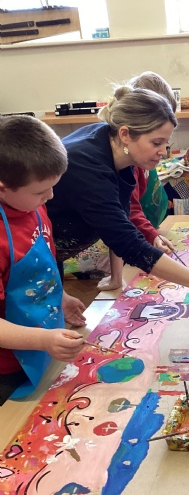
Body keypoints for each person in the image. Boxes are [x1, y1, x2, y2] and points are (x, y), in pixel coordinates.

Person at [45, 84, 189, 323]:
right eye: (156, 143)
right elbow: (128, 243)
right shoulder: (88, 166)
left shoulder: (119, 151)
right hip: (24, 257)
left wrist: (61, 292)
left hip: (47, 255)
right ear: (125, 134)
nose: (163, 152)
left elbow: (121, 220)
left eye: (165, 144)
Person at [0, 115, 87, 404]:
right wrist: (43, 340)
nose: (50, 196)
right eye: (40, 191)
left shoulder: (34, 206)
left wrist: (59, 297)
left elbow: (36, 270)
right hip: (7, 369)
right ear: (2, 187)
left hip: (44, 347)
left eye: (53, 186)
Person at [97, 72, 176, 291]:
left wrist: (152, 233)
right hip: (129, 241)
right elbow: (122, 219)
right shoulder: (123, 161)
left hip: (139, 236)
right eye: (157, 141)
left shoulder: (136, 154)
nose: (163, 151)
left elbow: (123, 213)